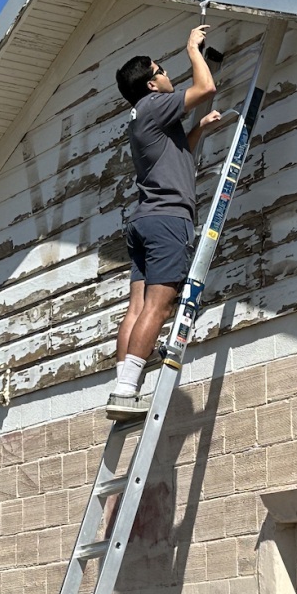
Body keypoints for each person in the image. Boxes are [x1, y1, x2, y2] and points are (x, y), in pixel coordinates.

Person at [106, 25, 223, 420]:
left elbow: (171, 158)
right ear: (152, 84)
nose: (169, 75)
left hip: (144, 221)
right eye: (162, 71)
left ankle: (122, 385)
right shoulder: (158, 105)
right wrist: (193, 49)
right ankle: (126, 391)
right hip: (168, 220)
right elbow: (206, 89)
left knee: (136, 308)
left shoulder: (142, 118)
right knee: (159, 306)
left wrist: (197, 131)